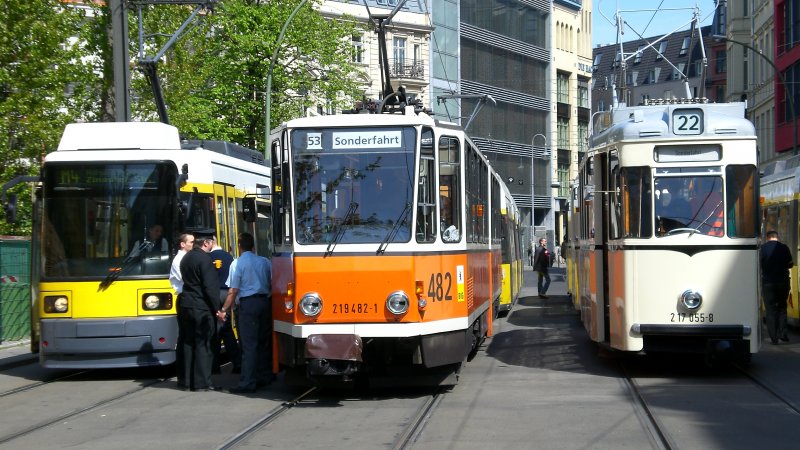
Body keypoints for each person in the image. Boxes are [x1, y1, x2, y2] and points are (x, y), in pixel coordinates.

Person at [220, 232, 273, 393]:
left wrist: (224, 309)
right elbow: (272, 282)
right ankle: (264, 376)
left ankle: (247, 382)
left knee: (249, 345)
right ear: (253, 246)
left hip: (248, 305)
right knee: (264, 342)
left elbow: (233, 289)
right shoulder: (264, 261)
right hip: (265, 303)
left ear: (239, 246)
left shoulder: (237, 264)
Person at [178, 236, 223, 391]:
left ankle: (186, 381)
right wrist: (217, 308)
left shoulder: (186, 258)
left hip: (186, 304)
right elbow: (210, 287)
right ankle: (201, 382)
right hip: (201, 307)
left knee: (188, 343)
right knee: (203, 344)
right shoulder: (205, 260)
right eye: (211, 243)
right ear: (206, 243)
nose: (212, 245)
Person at [209, 235, 240, 374]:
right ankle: (237, 362)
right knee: (225, 328)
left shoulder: (207, 257)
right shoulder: (229, 257)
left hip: (214, 294)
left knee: (215, 330)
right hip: (227, 294)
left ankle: (213, 365)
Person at [760, 230, 793, 345]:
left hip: (768, 283)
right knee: (782, 307)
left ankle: (774, 337)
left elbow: (758, 264)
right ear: (776, 237)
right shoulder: (784, 248)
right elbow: (790, 264)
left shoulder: (763, 249)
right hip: (783, 283)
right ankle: (783, 334)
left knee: (770, 309)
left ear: (767, 238)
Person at [170, 233, 194, 389]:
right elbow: (188, 280)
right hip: (185, 298)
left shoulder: (185, 258)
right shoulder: (179, 260)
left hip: (186, 298)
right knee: (186, 338)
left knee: (186, 337)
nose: (193, 244)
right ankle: (184, 377)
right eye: (190, 242)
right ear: (182, 244)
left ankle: (186, 376)